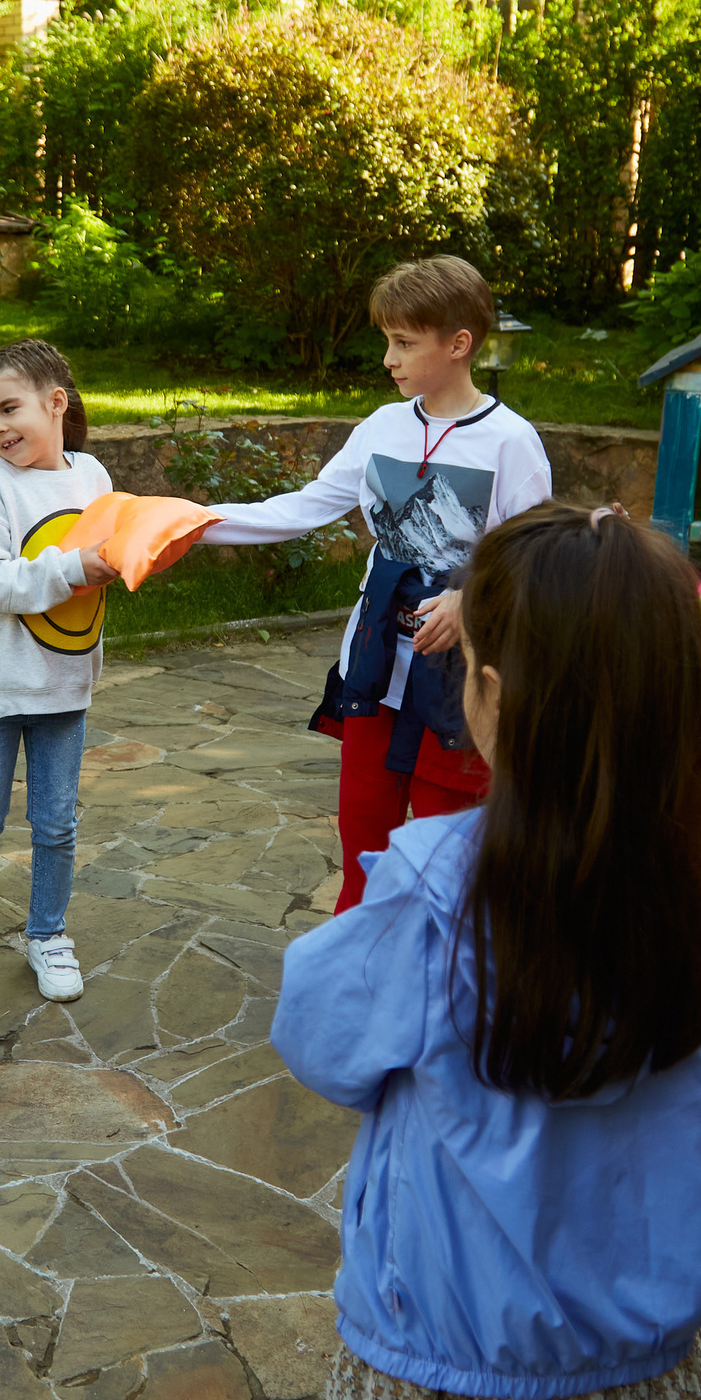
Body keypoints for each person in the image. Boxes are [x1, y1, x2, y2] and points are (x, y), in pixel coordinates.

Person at [274, 503, 701, 1400]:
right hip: (640, 1380)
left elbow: (318, 1030)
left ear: (490, 691)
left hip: (448, 1368)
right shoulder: (695, 880)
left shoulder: (437, 888)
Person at [197, 256, 551, 911]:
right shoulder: (382, 428)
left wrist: (470, 598)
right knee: (363, 854)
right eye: (386, 339)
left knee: (452, 866)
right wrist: (191, 524)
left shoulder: (510, 442)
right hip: (374, 679)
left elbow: (535, 559)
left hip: (457, 692)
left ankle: (443, 999)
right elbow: (304, 507)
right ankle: (354, 992)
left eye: (404, 341)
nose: (388, 357)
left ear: (458, 343)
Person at [0, 339, 121, 1003]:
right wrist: (73, 569)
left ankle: (47, 934)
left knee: (57, 822)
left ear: (56, 401)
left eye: (9, 408)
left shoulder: (93, 476)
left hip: (64, 684)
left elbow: (104, 559)